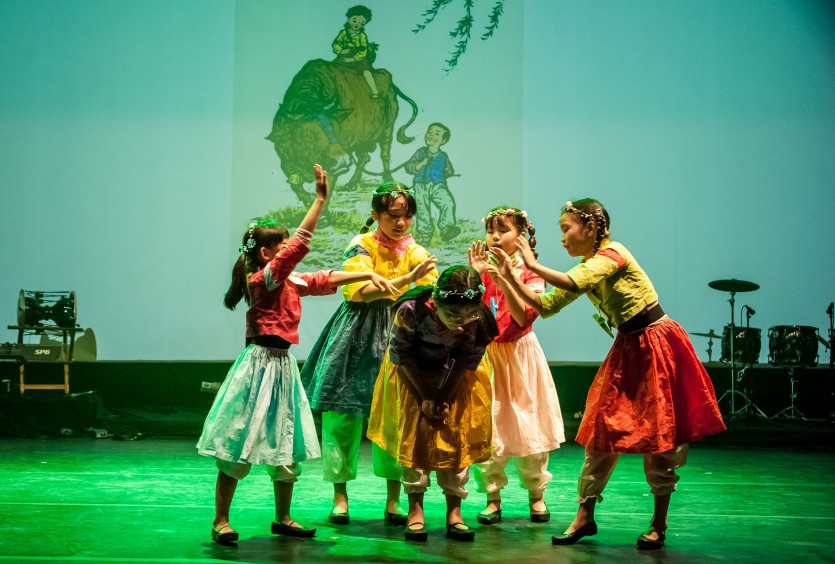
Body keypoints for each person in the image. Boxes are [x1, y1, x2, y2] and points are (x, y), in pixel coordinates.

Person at [491, 198, 725, 550]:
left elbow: (573, 283)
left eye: (566, 229)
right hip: (629, 346)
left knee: (661, 434)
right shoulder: (588, 265)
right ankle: (585, 515)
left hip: (656, 345)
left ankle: (658, 522)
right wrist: (510, 277)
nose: (562, 238)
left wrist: (532, 264)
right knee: (602, 427)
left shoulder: (613, 254)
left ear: (590, 228)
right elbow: (545, 306)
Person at [197, 164, 399, 545]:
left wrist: (366, 275)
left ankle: (283, 517)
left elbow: (323, 280)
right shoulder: (264, 279)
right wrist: (319, 200)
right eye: (282, 245)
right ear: (266, 253)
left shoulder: (286, 279)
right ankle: (221, 519)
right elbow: (297, 250)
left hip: (283, 366)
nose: (288, 249)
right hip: (258, 365)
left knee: (286, 440)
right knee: (238, 442)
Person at [301, 182, 438, 526]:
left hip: (399, 332)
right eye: (393, 215)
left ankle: (394, 499)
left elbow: (427, 293)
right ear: (376, 215)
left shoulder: (417, 252)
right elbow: (359, 291)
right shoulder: (361, 244)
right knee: (342, 415)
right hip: (356, 334)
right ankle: (340, 496)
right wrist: (405, 282)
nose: (401, 222)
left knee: (395, 416)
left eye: (407, 216)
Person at [367, 265, 499, 542]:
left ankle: (455, 512)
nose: (461, 322)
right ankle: (415, 510)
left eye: (469, 314)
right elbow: (402, 355)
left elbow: (467, 360)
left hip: (455, 378)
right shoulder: (411, 311)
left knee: (456, 437)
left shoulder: (478, 318)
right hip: (413, 375)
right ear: (436, 302)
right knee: (415, 439)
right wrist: (425, 397)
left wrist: (445, 398)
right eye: (453, 315)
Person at [466, 207, 565, 526]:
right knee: (489, 427)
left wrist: (506, 278)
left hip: (521, 356)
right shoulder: (480, 270)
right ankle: (492, 497)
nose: (495, 237)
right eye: (491, 231)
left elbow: (522, 317)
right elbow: (468, 318)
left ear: (521, 236)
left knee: (529, 424)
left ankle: (536, 494)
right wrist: (475, 280)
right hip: (488, 356)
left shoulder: (531, 273)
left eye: (503, 231)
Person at [404, 122, 460, 244]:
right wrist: (421, 164)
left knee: (448, 203)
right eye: (429, 132)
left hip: (438, 185)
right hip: (420, 184)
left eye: (436, 134)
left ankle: (446, 228)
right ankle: (425, 234)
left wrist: (447, 173)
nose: (431, 135)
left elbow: (449, 170)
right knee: (422, 209)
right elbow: (409, 167)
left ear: (442, 140)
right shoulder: (420, 152)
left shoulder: (443, 156)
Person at [332, 4, 379, 98]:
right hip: (345, 55)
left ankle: (374, 90)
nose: (357, 24)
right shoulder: (343, 33)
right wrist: (340, 51)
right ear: (348, 19)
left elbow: (363, 50)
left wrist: (353, 59)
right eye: (354, 20)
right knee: (332, 68)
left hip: (359, 58)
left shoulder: (362, 36)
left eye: (361, 23)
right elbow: (336, 43)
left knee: (366, 72)